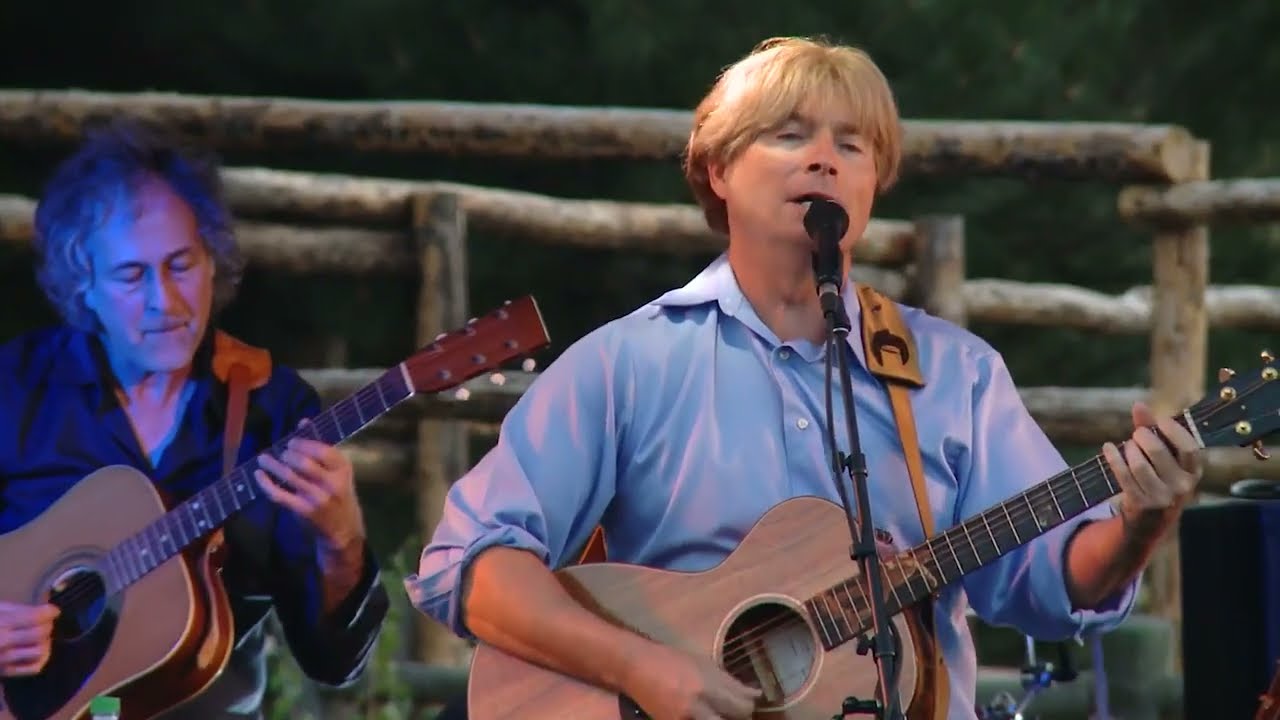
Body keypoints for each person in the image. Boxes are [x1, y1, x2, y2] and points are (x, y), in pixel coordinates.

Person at [405, 36, 1203, 720]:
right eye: (789, 135)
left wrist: (1140, 521)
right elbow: (468, 564)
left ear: (870, 186)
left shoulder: (955, 375)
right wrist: (640, 668)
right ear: (718, 169)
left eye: (852, 146)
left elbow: (1050, 585)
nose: (825, 157)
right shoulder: (626, 363)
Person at [0, 120, 389, 718]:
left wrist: (340, 544)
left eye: (182, 265)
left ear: (213, 262)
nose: (166, 302)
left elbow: (333, 664)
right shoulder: (17, 388)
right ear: (86, 287)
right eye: (132, 275)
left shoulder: (272, 412)